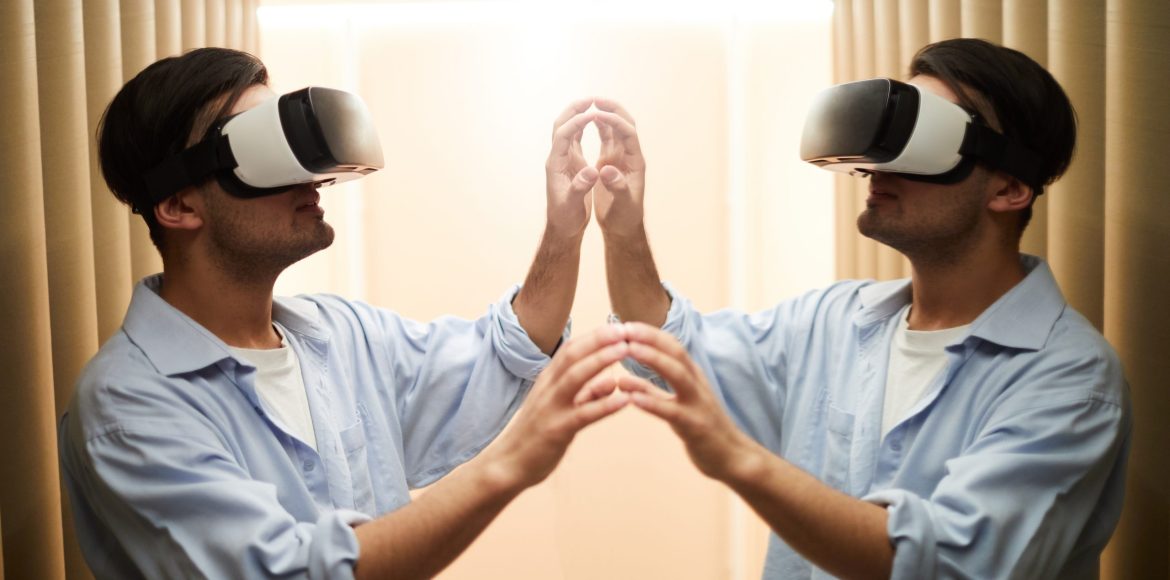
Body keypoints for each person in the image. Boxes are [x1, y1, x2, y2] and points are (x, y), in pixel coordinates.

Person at [58, 47, 635, 579]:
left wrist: (565, 230)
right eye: (267, 146)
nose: (309, 174)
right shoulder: (129, 407)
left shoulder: (342, 335)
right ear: (179, 205)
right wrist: (510, 465)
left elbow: (503, 351)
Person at [598, 38, 1131, 578]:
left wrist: (741, 460)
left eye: (919, 138)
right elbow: (673, 349)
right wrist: (622, 229)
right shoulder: (834, 321)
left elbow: (946, 564)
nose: (879, 166)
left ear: (1009, 189)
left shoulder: (1068, 380)